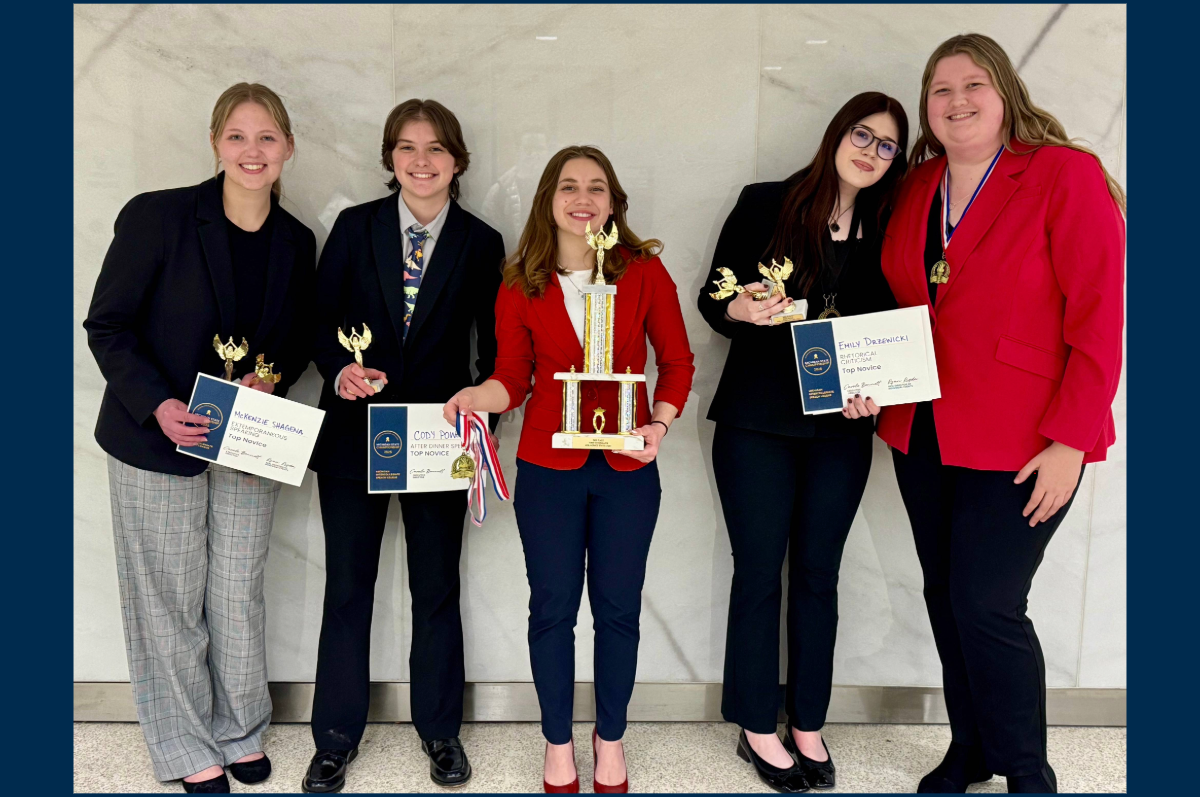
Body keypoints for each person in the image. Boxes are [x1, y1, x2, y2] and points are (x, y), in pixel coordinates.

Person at [877, 34, 1125, 794]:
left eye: (973, 84)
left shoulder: (1062, 174)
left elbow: (1099, 315)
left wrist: (1070, 441)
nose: (956, 101)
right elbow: (899, 302)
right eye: (940, 89)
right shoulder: (916, 184)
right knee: (945, 598)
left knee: (987, 603)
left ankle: (1027, 767)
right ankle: (970, 748)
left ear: (1005, 92)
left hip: (1026, 436)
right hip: (921, 428)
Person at [84, 82, 315, 793]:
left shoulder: (297, 240)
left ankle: (241, 727)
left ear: (288, 149)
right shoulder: (159, 218)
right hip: (158, 440)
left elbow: (298, 337)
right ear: (216, 143)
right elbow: (108, 325)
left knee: (237, 591)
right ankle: (186, 742)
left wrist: (271, 381)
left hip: (248, 443)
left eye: (267, 138)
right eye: (239, 136)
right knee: (169, 596)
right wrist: (157, 403)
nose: (253, 151)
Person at [442, 145, 695, 794]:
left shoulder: (643, 272)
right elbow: (511, 379)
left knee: (617, 611)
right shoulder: (520, 281)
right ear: (548, 200)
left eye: (597, 187)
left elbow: (678, 362)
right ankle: (558, 743)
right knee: (552, 609)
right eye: (568, 186)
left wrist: (658, 423)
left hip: (626, 469)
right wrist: (477, 397)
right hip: (549, 470)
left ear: (614, 203)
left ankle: (609, 740)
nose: (582, 197)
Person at [697, 92, 908, 793]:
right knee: (759, 572)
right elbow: (711, 300)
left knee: (820, 574)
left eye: (887, 146)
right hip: (758, 422)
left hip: (841, 429)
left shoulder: (892, 225)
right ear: (836, 133)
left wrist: (882, 384)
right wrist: (739, 307)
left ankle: (808, 719)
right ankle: (757, 722)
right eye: (863, 134)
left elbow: (895, 329)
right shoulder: (766, 202)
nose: (871, 152)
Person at [301, 99, 505, 793]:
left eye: (436, 148)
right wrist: (339, 367)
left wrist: (480, 427)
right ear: (390, 158)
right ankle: (333, 737)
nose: (422, 161)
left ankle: (441, 731)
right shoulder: (355, 228)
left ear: (458, 159)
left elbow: (496, 349)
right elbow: (319, 320)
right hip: (357, 434)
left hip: (436, 440)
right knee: (348, 586)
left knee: (436, 586)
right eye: (408, 147)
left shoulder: (482, 242)